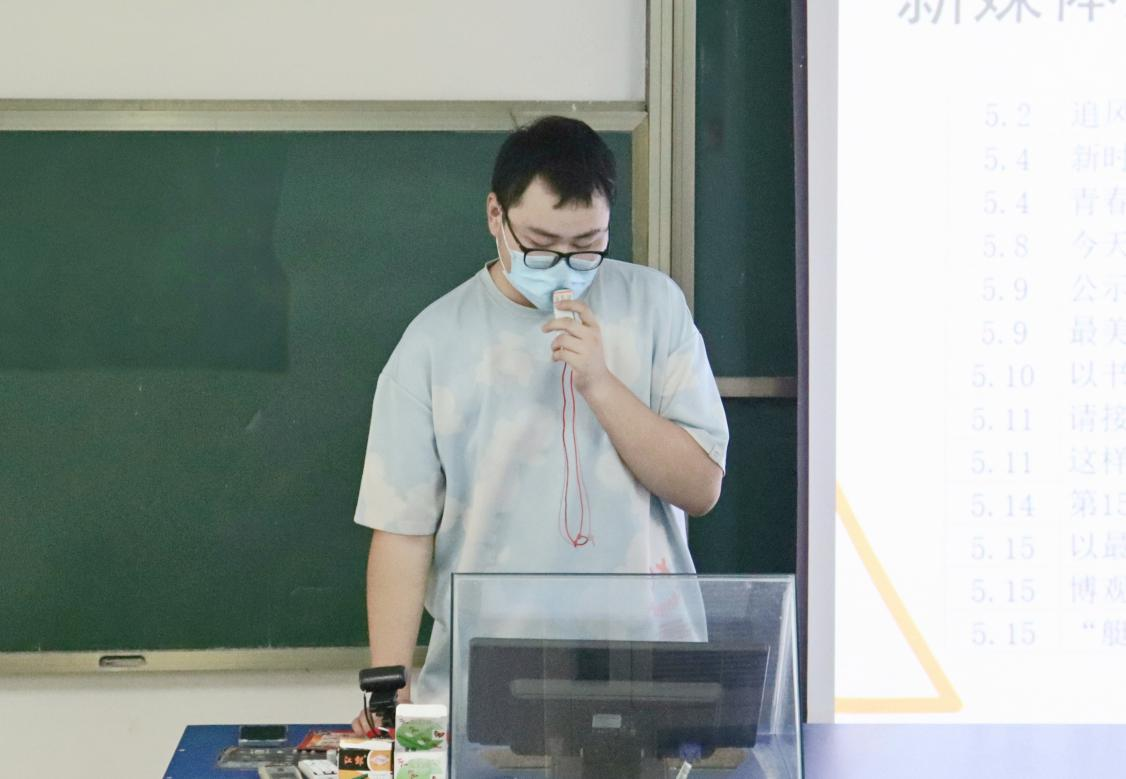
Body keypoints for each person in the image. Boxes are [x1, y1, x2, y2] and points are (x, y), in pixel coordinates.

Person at [350, 116, 728, 733]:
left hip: (647, 671)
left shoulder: (655, 307)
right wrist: (389, 688)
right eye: (541, 244)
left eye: (587, 246)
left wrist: (602, 384)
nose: (564, 266)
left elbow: (701, 487)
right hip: (491, 679)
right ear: (495, 216)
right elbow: (401, 530)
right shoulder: (433, 342)